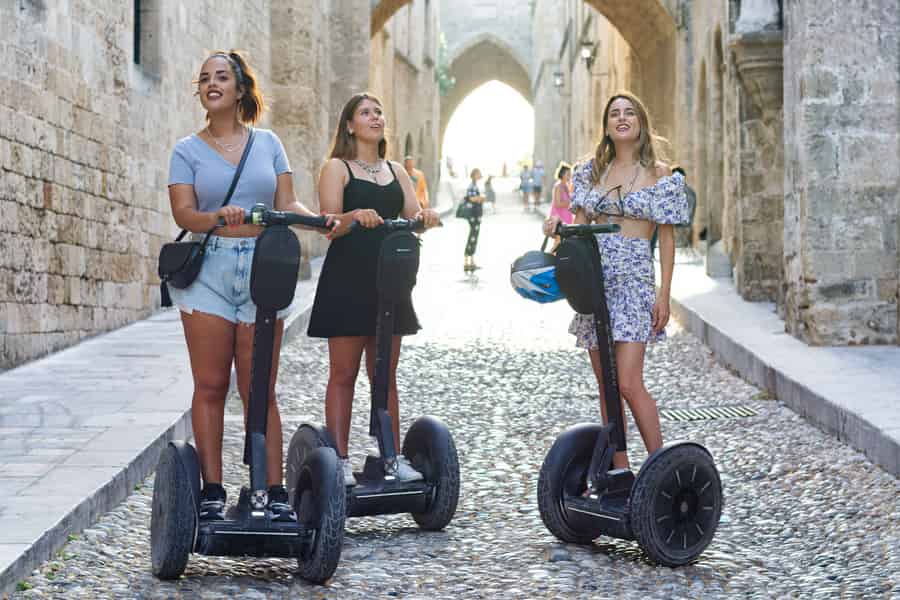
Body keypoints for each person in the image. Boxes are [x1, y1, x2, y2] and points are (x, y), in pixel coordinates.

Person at [167, 50, 333, 521]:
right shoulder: (186, 151)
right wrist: (218, 216)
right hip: (210, 271)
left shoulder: (268, 143)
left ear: (240, 89)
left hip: (264, 268)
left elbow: (288, 203)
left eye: (222, 76)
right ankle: (212, 491)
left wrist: (320, 221)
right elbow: (184, 214)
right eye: (204, 78)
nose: (211, 83)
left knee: (260, 387)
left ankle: (274, 491)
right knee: (212, 384)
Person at [543, 92, 689, 472]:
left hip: (634, 282)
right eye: (614, 114)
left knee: (628, 381)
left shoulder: (661, 175)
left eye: (629, 113)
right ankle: (621, 471)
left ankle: (660, 470)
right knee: (606, 384)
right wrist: (558, 230)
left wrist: (664, 294)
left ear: (641, 122)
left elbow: (666, 240)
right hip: (594, 282)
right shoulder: (591, 173)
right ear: (606, 126)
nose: (622, 118)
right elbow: (578, 229)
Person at [308, 93, 441, 485]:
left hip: (390, 280)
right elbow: (329, 223)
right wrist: (354, 215)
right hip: (347, 278)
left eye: (378, 112)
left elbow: (412, 216)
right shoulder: (337, 168)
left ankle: (391, 457)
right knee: (343, 373)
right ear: (350, 125)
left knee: (385, 374)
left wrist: (425, 217)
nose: (375, 117)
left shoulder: (396, 170)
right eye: (365, 113)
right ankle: (339, 460)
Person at [650, 164, 696, 253]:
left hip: (680, 224)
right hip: (682, 223)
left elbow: (685, 213)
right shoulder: (689, 190)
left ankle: (651, 251)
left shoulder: (683, 191)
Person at [462, 168, 486, 272]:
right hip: (473, 214)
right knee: (472, 236)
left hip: (476, 214)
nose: (480, 175)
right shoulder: (472, 186)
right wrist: (480, 198)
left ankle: (471, 261)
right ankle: (467, 261)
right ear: (475, 175)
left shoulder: (474, 185)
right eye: (479, 174)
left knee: (474, 236)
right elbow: (471, 198)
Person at [547, 162, 574, 251]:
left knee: (563, 243)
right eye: (568, 174)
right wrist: (570, 202)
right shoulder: (558, 186)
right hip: (559, 218)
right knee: (557, 243)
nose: (570, 176)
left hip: (566, 217)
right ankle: (550, 257)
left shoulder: (566, 186)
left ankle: (558, 257)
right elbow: (557, 204)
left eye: (570, 174)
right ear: (562, 174)